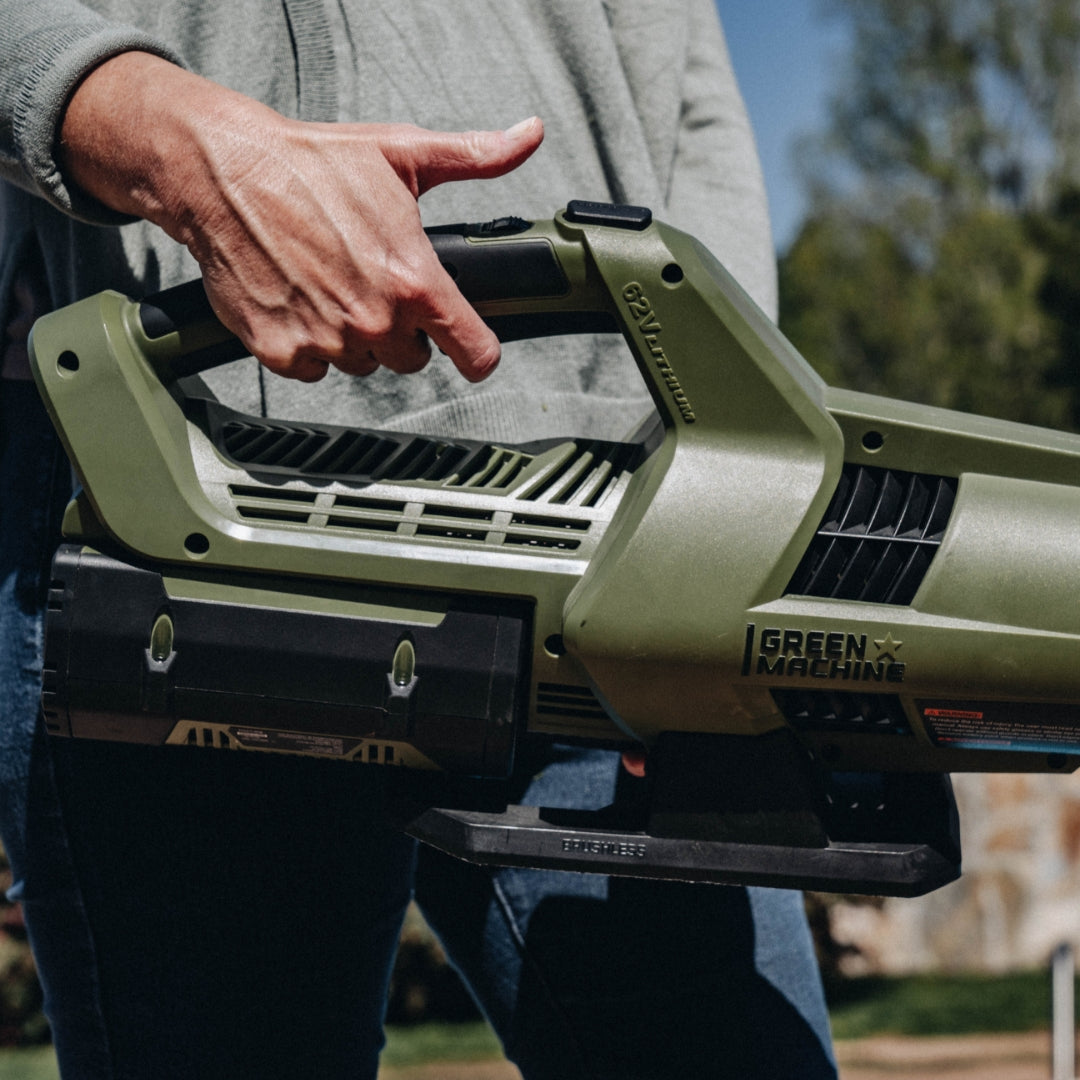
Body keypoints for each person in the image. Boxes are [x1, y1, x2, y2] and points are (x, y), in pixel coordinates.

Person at [0, 2, 838, 1077]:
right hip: (168, 509)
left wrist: (730, 483)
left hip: (618, 550)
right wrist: (178, 145)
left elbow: (686, 90)